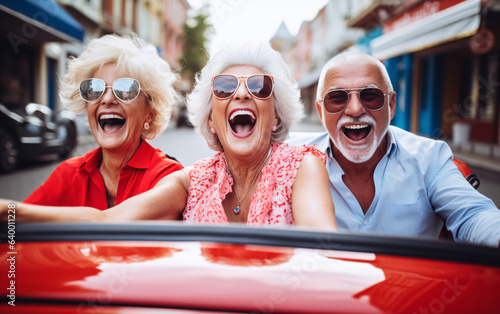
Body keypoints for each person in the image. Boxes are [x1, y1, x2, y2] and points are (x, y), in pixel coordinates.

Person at [1, 42, 336, 229]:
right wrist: (8, 212)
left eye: (259, 88)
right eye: (224, 88)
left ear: (276, 114)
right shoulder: (193, 180)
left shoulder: (302, 166)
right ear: (211, 118)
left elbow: (324, 251)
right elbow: (107, 219)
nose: (241, 95)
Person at [287, 51, 500, 246]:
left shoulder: (428, 158)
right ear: (320, 110)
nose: (354, 109)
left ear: (391, 105)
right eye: (337, 98)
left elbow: (473, 215)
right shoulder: (290, 159)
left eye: (370, 96)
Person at [22, 34, 183, 209]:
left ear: (150, 113)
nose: (107, 99)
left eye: (125, 89)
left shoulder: (168, 175)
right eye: (95, 88)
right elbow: (13, 227)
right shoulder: (68, 174)